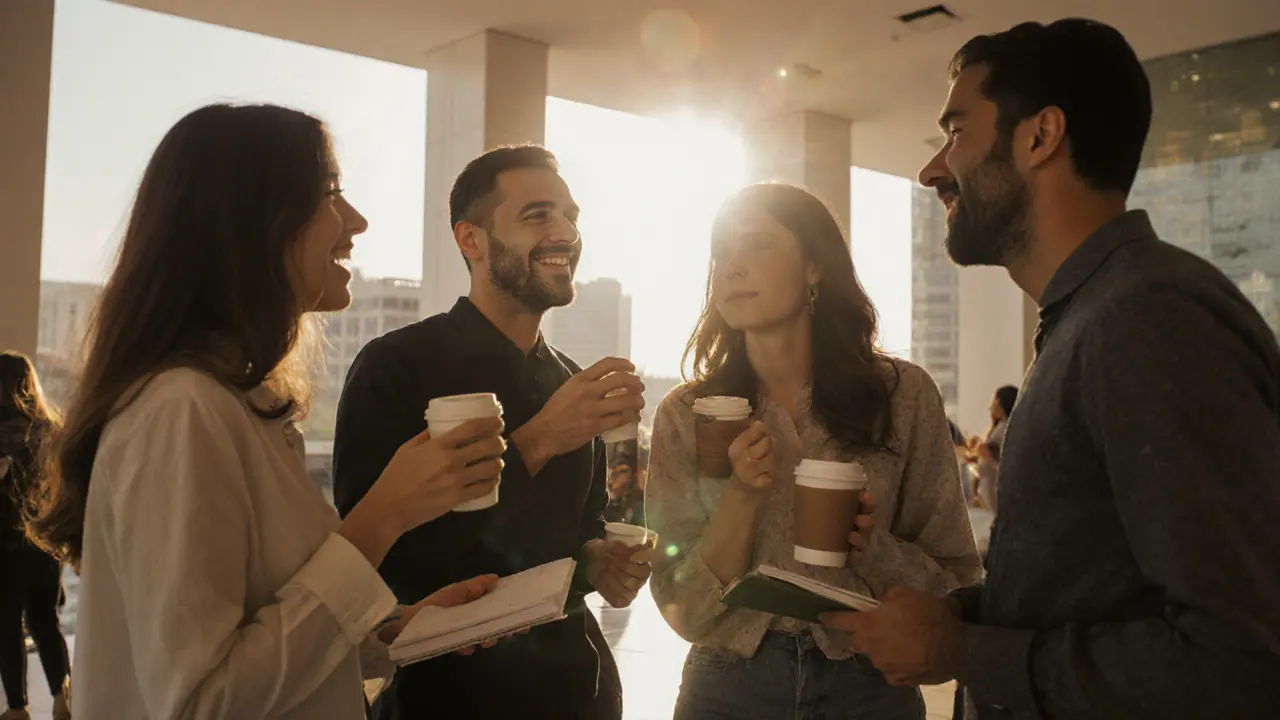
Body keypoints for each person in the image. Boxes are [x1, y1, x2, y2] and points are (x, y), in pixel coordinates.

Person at [822, 19, 1280, 719]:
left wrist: (961, 653)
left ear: (1041, 136)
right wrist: (952, 619)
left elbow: (1240, 658)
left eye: (956, 132)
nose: (932, 169)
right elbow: (1096, 588)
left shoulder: (1147, 318)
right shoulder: (1089, 319)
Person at [24, 104, 512, 720]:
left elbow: (267, 652)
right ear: (250, 221)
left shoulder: (238, 407)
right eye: (331, 193)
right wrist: (383, 516)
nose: (356, 221)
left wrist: (400, 630)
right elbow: (202, 703)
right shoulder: (182, 410)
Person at [332, 145, 650, 719]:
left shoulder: (572, 381)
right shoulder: (396, 366)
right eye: (538, 216)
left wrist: (599, 558)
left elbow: (580, 533)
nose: (565, 233)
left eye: (571, 217)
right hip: (445, 705)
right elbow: (376, 572)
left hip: (581, 697)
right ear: (470, 239)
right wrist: (540, 438)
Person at [645, 183, 982, 719]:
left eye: (757, 245)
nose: (731, 267)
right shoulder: (689, 412)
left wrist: (871, 547)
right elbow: (681, 610)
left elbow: (957, 584)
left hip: (869, 683)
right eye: (721, 252)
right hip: (728, 686)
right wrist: (741, 497)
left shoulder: (902, 395)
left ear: (814, 267)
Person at [0, 353, 71, 720]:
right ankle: (64, 700)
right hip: (46, 543)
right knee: (46, 621)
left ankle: (17, 707)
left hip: (7, 546)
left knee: (8, 621)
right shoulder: (51, 429)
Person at [971, 385, 1016, 512]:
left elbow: (994, 454)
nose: (992, 407)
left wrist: (982, 450)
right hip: (992, 491)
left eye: (996, 403)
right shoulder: (1000, 427)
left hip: (996, 489)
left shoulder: (1004, 428)